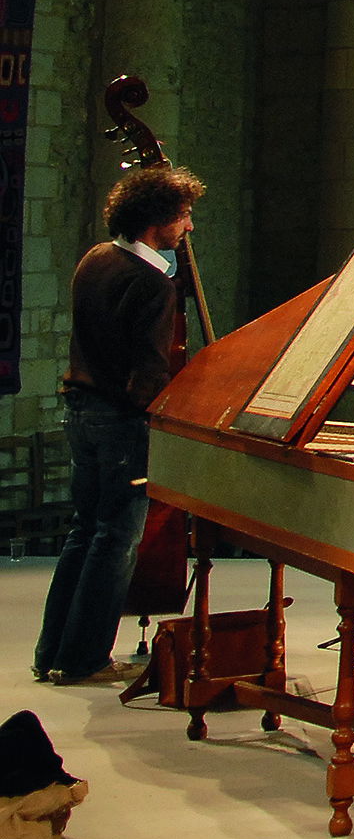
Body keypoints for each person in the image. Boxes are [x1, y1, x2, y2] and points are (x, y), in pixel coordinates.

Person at [34, 165, 203, 685]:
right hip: (122, 422)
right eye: (184, 216)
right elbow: (148, 374)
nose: (189, 228)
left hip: (79, 410)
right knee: (116, 540)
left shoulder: (97, 258)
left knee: (84, 531)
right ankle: (85, 658)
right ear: (159, 221)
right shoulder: (152, 284)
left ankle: (52, 652)